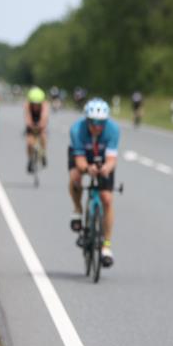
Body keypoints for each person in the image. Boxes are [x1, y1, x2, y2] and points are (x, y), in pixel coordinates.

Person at [68, 98, 120, 267]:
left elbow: (112, 159)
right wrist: (87, 168)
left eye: (101, 123)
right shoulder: (77, 130)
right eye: (93, 122)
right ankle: (77, 209)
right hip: (83, 156)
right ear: (87, 120)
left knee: (107, 198)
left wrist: (106, 168)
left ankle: (106, 246)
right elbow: (80, 159)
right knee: (76, 176)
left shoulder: (113, 130)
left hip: (104, 159)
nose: (97, 127)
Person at [24, 86, 49, 172]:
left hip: (40, 121)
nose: (35, 106)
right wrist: (30, 124)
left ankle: (43, 154)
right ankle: (30, 159)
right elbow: (27, 117)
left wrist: (41, 125)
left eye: (37, 104)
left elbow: (44, 117)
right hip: (32, 122)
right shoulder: (27, 105)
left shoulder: (45, 105)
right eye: (33, 103)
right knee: (29, 143)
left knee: (43, 136)